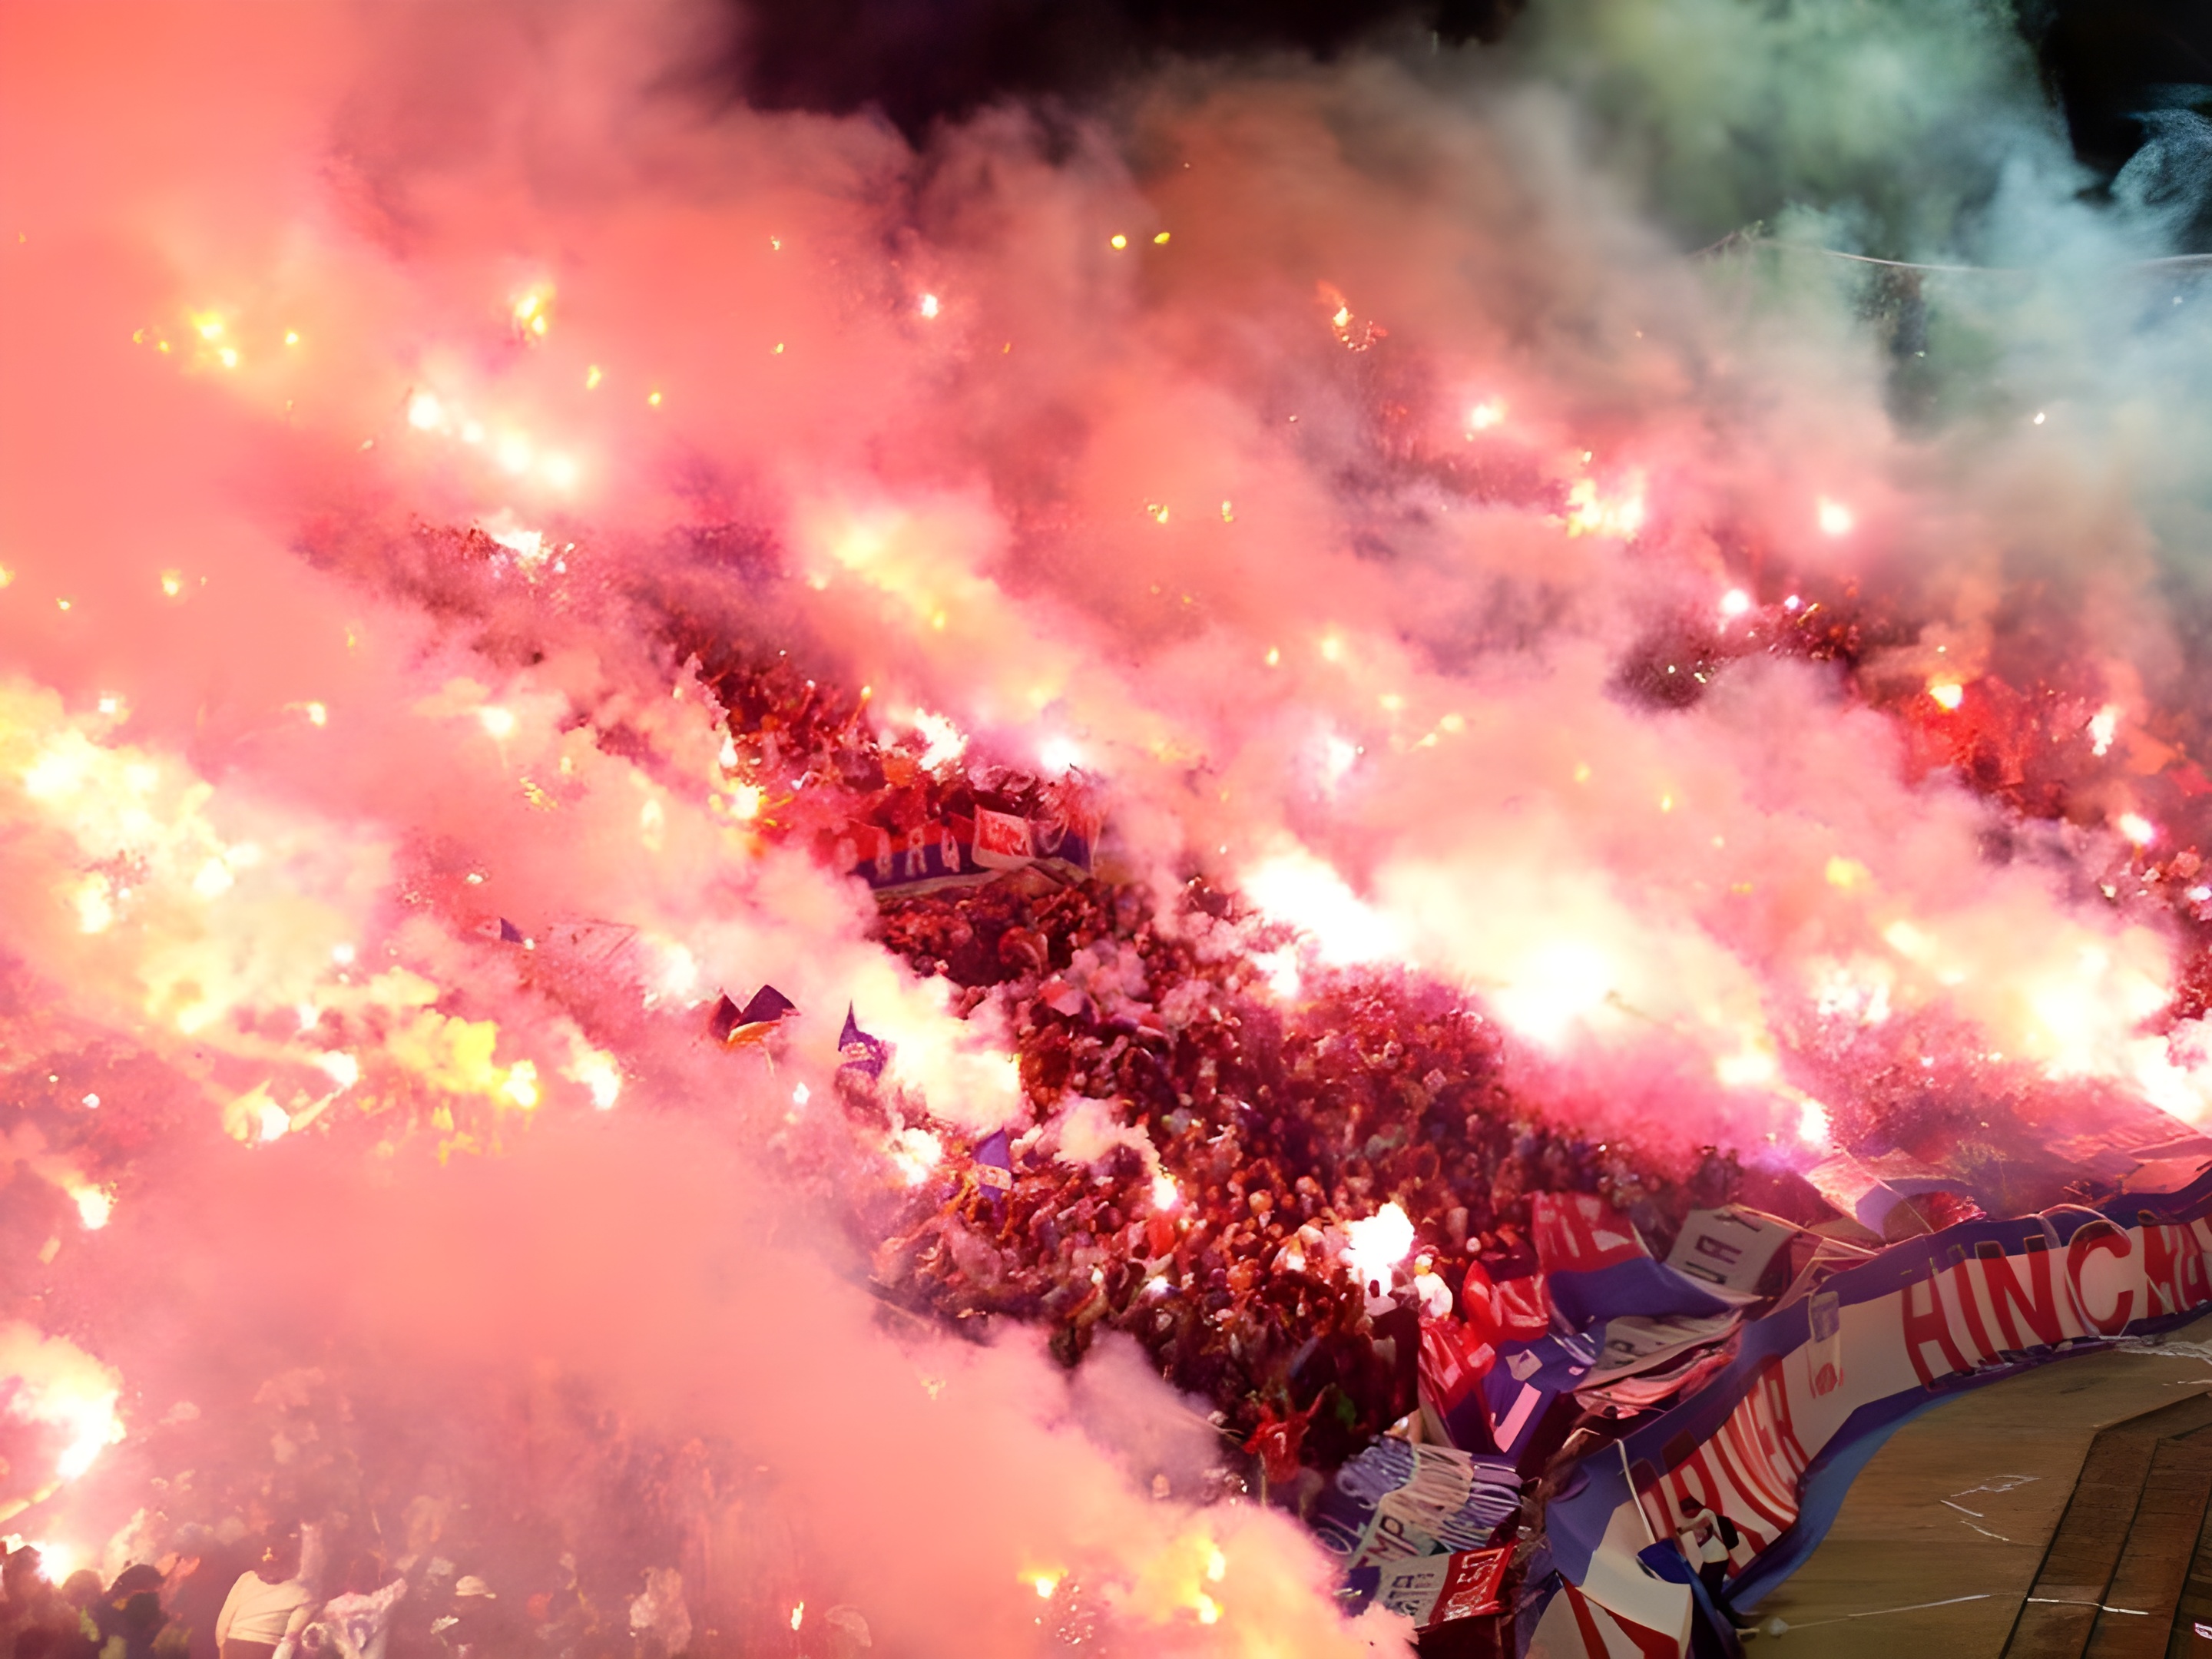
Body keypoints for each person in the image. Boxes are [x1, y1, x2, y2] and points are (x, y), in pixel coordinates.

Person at [212, 1533, 315, 1659]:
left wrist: (224, 1649)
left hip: (235, 1644)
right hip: (267, 1650)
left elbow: (224, 1623)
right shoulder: (305, 1593)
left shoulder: (247, 1578)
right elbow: (291, 1638)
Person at [1675, 1495, 1753, 1637]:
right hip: (1711, 1562)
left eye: (1687, 1511)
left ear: (1694, 1508)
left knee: (1711, 1596)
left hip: (1717, 1560)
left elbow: (1691, 1526)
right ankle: (1733, 1620)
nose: (1686, 1514)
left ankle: (1736, 1625)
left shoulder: (1706, 1514)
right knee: (1709, 1595)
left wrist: (1681, 1530)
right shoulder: (1696, 1520)